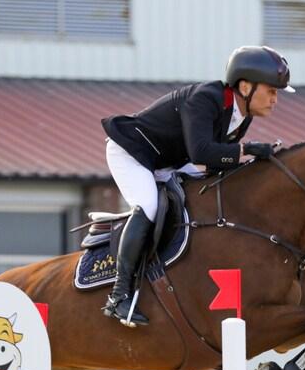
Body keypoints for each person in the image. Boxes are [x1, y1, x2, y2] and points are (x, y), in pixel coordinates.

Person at [99, 45, 293, 326]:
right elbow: (202, 152)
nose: (275, 99)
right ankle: (118, 296)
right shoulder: (207, 98)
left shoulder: (241, 115)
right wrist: (248, 149)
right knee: (149, 206)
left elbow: (214, 163)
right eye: (272, 91)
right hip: (133, 153)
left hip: (170, 162)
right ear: (246, 86)